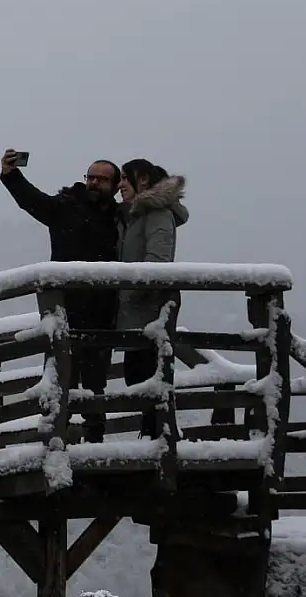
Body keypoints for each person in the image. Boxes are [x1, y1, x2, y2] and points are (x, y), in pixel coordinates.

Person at [0, 149, 121, 443]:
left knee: (95, 383)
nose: (93, 183)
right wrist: (11, 175)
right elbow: (33, 201)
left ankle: (94, 441)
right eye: (90, 177)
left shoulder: (120, 217)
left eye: (101, 179)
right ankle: (56, 443)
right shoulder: (67, 207)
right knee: (60, 379)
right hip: (65, 309)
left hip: (103, 313)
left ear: (116, 186)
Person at [115, 158, 189, 438]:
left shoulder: (156, 213)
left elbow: (157, 261)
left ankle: (158, 440)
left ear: (142, 180)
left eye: (125, 178)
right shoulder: (137, 215)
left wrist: (129, 294)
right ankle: (154, 437)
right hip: (136, 315)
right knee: (138, 380)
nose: (120, 184)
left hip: (148, 314)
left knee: (147, 379)